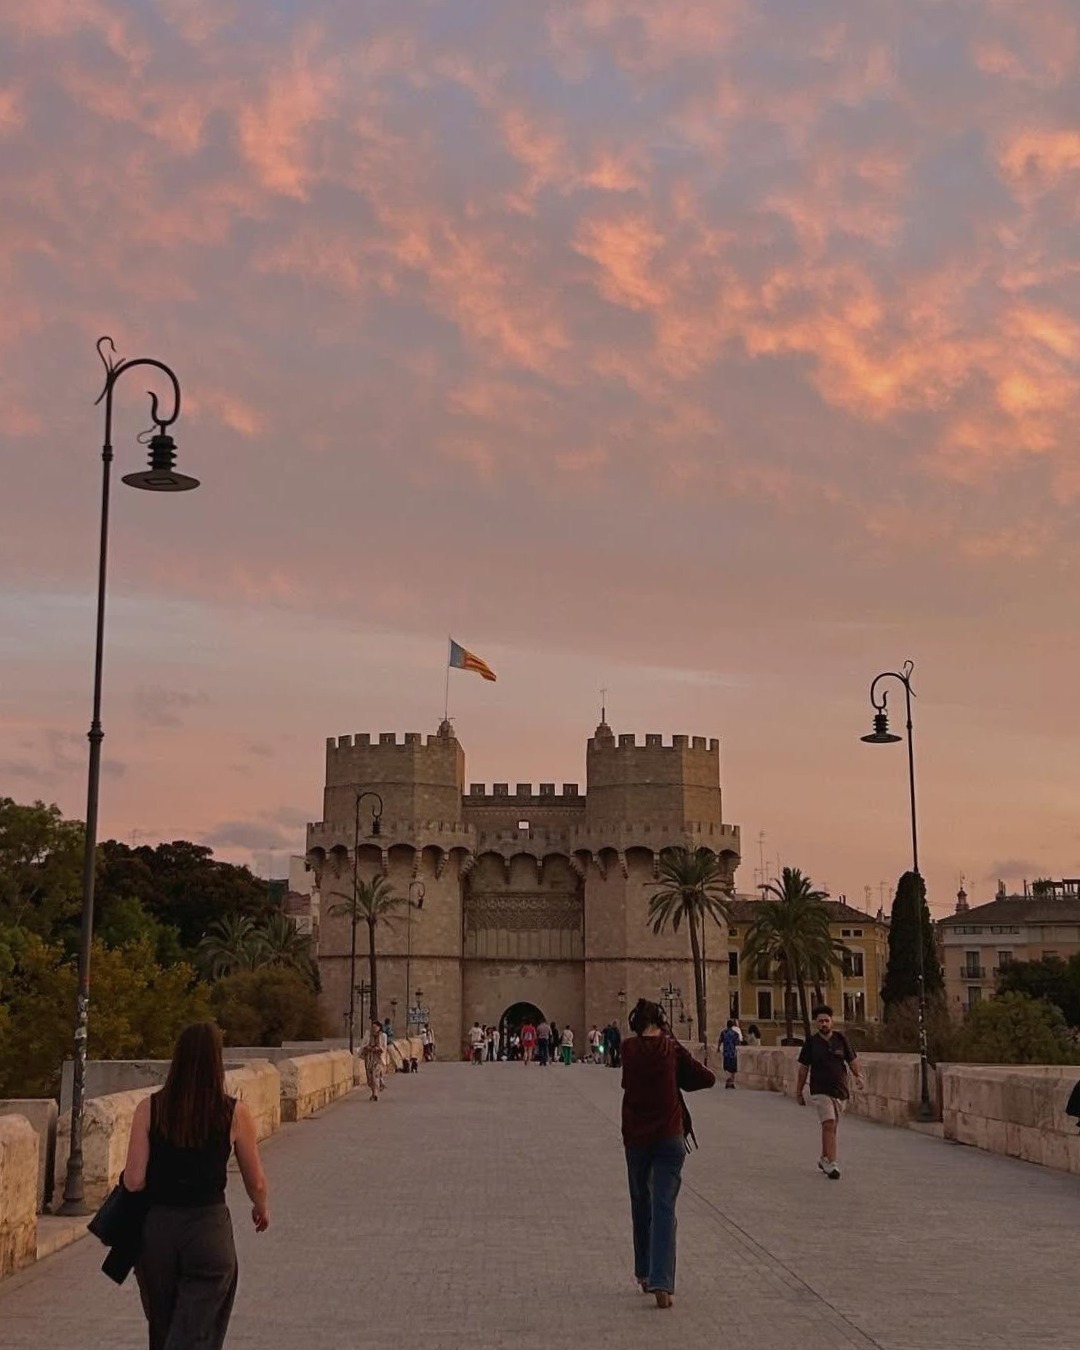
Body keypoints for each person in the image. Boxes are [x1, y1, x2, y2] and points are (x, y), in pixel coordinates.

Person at [121, 1022, 269, 1350]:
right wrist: (261, 1207)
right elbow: (255, 1179)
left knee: (164, 1327)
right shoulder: (234, 1112)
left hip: (158, 1232)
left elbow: (134, 1179)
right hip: (208, 1230)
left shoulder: (149, 1108)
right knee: (197, 1332)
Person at [621, 998, 714, 1308]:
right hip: (669, 1138)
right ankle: (662, 1282)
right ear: (661, 1021)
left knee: (641, 1202)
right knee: (663, 1206)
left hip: (636, 1137)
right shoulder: (672, 1048)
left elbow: (628, 1084)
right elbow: (705, 1078)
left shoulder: (628, 1050)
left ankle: (644, 1274)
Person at [796, 1004, 864, 1180]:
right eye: (820, 1021)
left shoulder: (841, 1039)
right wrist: (799, 1090)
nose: (824, 1023)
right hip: (820, 1089)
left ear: (831, 1022)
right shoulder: (811, 1043)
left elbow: (852, 1060)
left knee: (832, 1127)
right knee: (828, 1123)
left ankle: (824, 1158)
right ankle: (832, 1163)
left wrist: (859, 1076)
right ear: (816, 1023)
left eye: (826, 1020)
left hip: (840, 1090)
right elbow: (803, 1068)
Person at [363, 1018, 388, 1100]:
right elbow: (363, 1045)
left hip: (378, 1059)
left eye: (375, 1027)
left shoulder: (383, 1036)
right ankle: (374, 1090)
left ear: (379, 1027)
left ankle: (375, 1093)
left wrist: (378, 1049)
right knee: (369, 1077)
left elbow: (384, 1047)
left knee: (375, 1075)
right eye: (372, 1027)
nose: (373, 1029)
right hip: (369, 1058)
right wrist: (368, 1048)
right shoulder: (368, 1035)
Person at [718, 1020, 740, 1089]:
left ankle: (728, 1081)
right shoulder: (735, 1034)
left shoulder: (723, 1033)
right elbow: (737, 1043)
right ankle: (732, 1082)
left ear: (727, 1025)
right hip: (733, 1053)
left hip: (726, 1053)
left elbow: (720, 1040)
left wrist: (718, 1048)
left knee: (727, 1068)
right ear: (732, 1026)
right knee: (733, 1069)